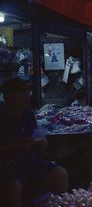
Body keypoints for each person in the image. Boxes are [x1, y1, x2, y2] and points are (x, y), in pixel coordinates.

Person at [0, 78, 68, 207]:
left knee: (60, 173)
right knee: (12, 189)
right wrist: (17, 146)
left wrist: (42, 142)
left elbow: (39, 136)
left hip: (30, 161)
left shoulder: (28, 115)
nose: (28, 95)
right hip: (9, 165)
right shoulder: (2, 118)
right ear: (9, 95)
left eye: (28, 91)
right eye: (22, 92)